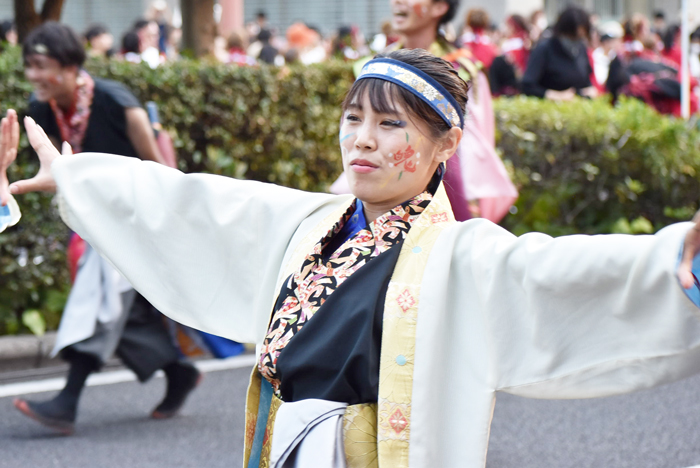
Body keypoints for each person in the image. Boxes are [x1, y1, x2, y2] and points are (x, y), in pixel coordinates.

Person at [5, 46, 700, 468]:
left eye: (390, 124)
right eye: (353, 119)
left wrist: (678, 259)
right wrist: (74, 179)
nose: (362, 140)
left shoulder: (463, 260)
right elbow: (191, 205)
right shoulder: (308, 225)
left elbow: (562, 275)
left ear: (445, 148)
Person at [9, 22, 200, 435]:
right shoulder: (41, 111)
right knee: (121, 313)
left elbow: (160, 171)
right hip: (93, 226)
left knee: (95, 301)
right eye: (29, 66)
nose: (34, 76)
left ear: (71, 65)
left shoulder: (116, 102)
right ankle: (178, 370)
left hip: (137, 219)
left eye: (42, 66)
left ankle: (67, 402)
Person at [384, 0, 517, 223]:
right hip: (382, 189)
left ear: (439, 7)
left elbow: (478, 141)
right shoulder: (375, 65)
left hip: (446, 194)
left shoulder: (463, 71)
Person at [521, 6, 598, 101]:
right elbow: (527, 85)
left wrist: (589, 90)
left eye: (581, 36)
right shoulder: (544, 49)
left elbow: (584, 80)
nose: (576, 40)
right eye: (573, 36)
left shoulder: (581, 49)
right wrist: (553, 95)